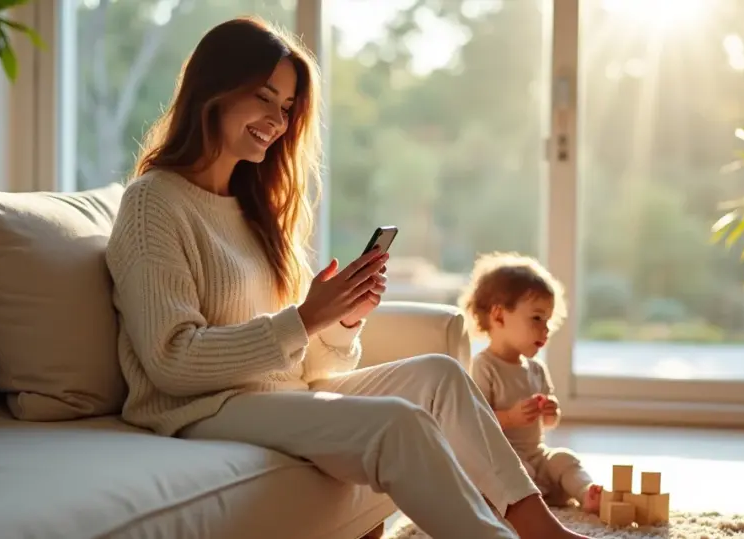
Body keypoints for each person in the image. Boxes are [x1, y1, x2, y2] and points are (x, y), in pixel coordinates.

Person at [105, 15, 596, 539]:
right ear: (215, 89)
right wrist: (305, 317)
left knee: (440, 374)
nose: (278, 119)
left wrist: (340, 324)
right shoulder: (153, 202)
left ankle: (543, 529)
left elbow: (307, 362)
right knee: (396, 423)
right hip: (199, 409)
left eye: (288, 107)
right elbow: (171, 361)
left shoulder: (256, 211)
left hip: (277, 394)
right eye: (265, 97)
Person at [458, 253, 603, 514]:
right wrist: (510, 417)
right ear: (499, 316)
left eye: (547, 321)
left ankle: (586, 494)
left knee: (564, 459)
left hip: (536, 455)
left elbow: (549, 423)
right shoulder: (485, 366)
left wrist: (551, 412)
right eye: (536, 318)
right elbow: (475, 422)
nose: (545, 329)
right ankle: (527, 502)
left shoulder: (536, 369)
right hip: (502, 459)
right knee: (517, 473)